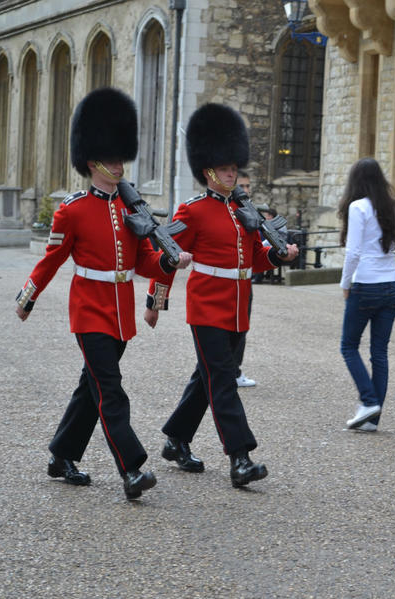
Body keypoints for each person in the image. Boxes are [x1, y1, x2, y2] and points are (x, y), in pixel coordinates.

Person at [15, 87, 184, 500]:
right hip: (89, 309)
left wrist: (167, 263)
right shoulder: (71, 209)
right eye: (111, 160)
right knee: (110, 389)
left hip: (121, 311)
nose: (118, 165)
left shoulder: (131, 210)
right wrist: (28, 296)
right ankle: (131, 469)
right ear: (92, 163)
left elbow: (142, 261)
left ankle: (62, 455)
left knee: (90, 388)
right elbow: (53, 259)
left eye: (120, 159)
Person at [144, 103, 299, 487]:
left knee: (208, 377)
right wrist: (155, 301)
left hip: (238, 305)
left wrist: (279, 254)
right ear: (209, 170)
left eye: (235, 168)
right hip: (207, 305)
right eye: (227, 168)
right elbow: (166, 253)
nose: (233, 173)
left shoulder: (244, 211)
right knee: (223, 380)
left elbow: (254, 260)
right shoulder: (192, 210)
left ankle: (176, 439)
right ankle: (240, 457)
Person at [338, 158, 395, 432]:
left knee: (349, 346)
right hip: (389, 285)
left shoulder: (358, 207)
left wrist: (345, 283)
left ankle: (368, 401)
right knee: (379, 352)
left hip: (365, 284)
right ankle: (372, 419)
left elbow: (353, 252)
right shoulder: (392, 206)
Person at [233, 170, 256, 388]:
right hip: (218, 286)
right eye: (243, 186)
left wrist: (279, 255)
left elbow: (257, 255)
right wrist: (156, 299)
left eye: (248, 186)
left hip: (244, 285)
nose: (246, 190)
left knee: (242, 329)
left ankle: (235, 370)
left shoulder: (249, 212)